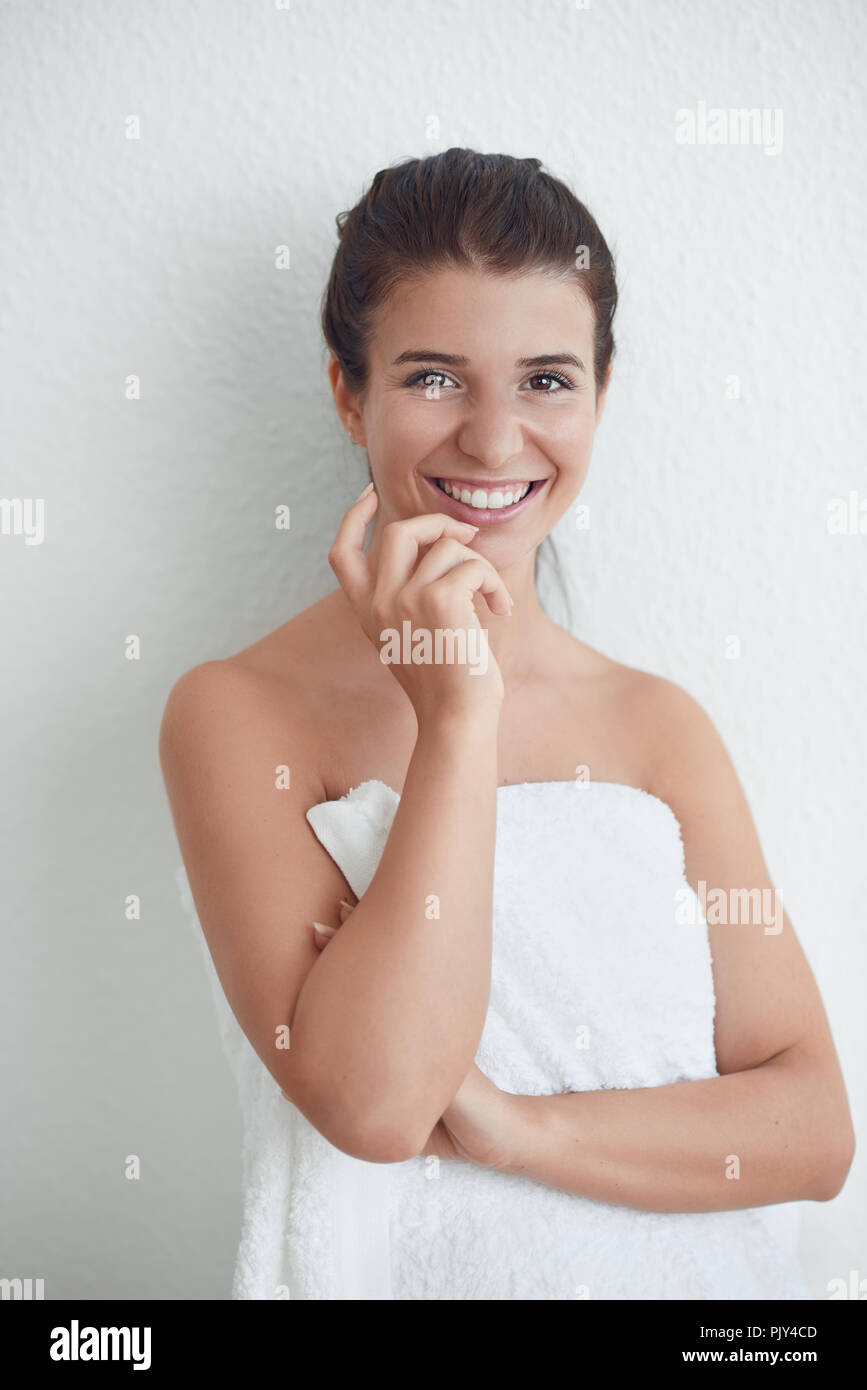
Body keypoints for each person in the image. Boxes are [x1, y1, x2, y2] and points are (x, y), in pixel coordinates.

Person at [159, 148, 854, 1299]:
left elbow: (813, 1127)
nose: (493, 441)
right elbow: (377, 1105)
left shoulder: (655, 726)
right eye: (435, 377)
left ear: (600, 394)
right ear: (349, 391)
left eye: (545, 380)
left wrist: (513, 1127)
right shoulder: (237, 713)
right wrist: (457, 715)